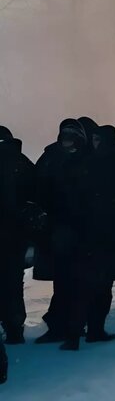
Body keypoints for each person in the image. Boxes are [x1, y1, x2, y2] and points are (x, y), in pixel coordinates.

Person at [58, 126, 115, 350]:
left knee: (83, 286)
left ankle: (75, 334)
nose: (94, 143)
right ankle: (95, 330)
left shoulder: (86, 164)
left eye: (96, 139)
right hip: (112, 235)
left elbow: (73, 199)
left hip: (88, 236)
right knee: (103, 286)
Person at [33, 120, 90, 346]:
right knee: (68, 282)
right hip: (62, 229)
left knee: (71, 282)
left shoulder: (57, 158)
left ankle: (68, 327)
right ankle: (66, 327)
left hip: (72, 230)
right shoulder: (56, 158)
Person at [0, 127, 34, 345]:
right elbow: (34, 197)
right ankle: (14, 329)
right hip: (15, 236)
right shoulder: (22, 162)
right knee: (13, 284)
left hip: (10, 233)